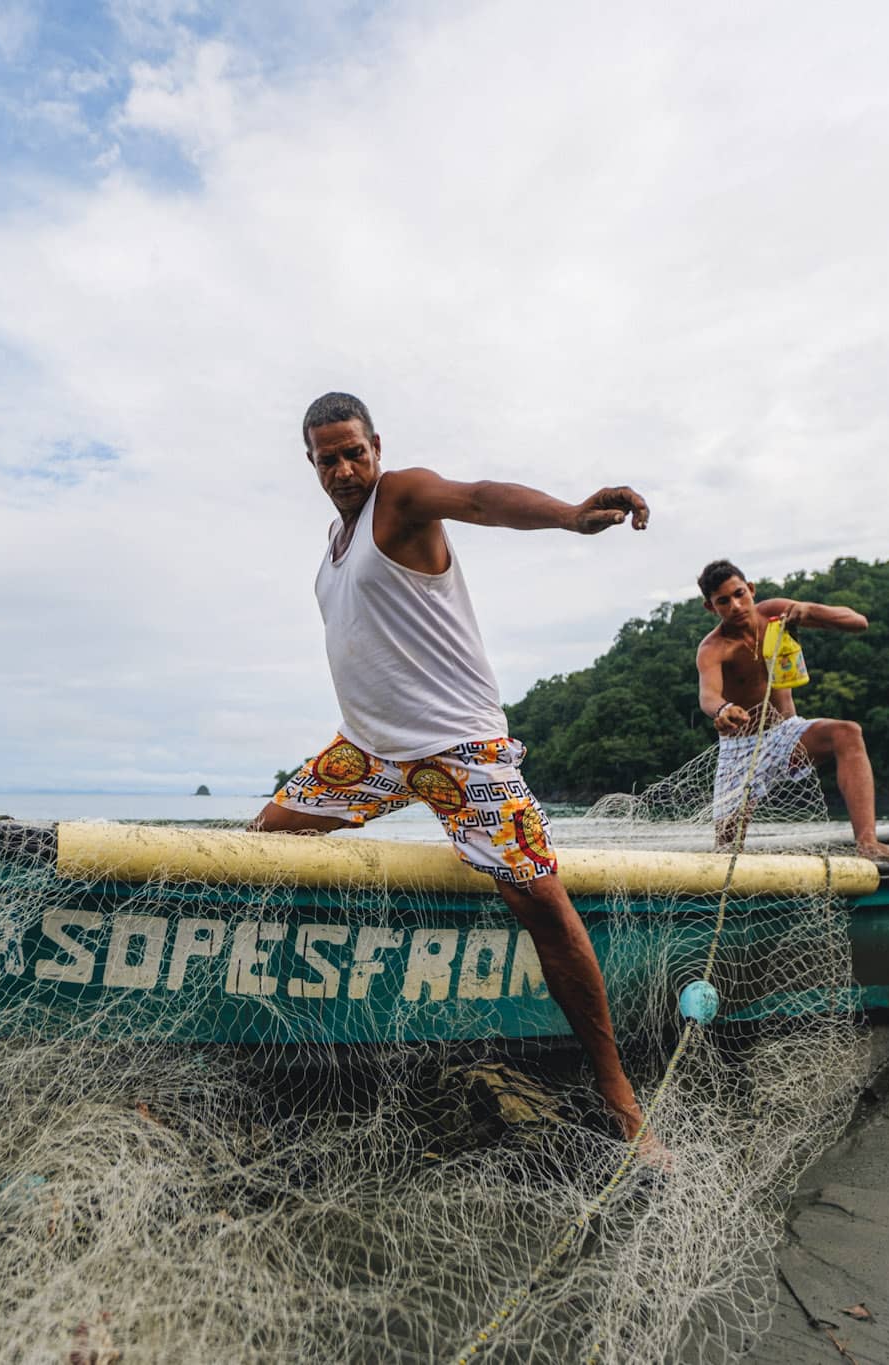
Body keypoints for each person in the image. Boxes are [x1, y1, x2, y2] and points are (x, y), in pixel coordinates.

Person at [252, 391, 663, 1152]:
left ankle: (617, 1093)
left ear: (376, 445)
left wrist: (572, 514)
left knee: (541, 897)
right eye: (327, 458)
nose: (345, 468)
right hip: (367, 753)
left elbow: (479, 498)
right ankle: (283, 1015)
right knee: (261, 840)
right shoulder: (333, 547)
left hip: (458, 752)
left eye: (354, 451)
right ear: (309, 462)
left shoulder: (401, 496)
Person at [693, 559, 889, 863]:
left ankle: (868, 843)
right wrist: (724, 709)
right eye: (723, 601)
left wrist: (809, 611)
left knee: (847, 733)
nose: (735, 605)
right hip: (740, 749)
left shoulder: (775, 613)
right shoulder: (713, 647)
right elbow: (709, 695)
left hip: (786, 734)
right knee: (726, 852)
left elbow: (857, 622)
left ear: (751, 589)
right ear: (711, 607)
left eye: (740, 594)